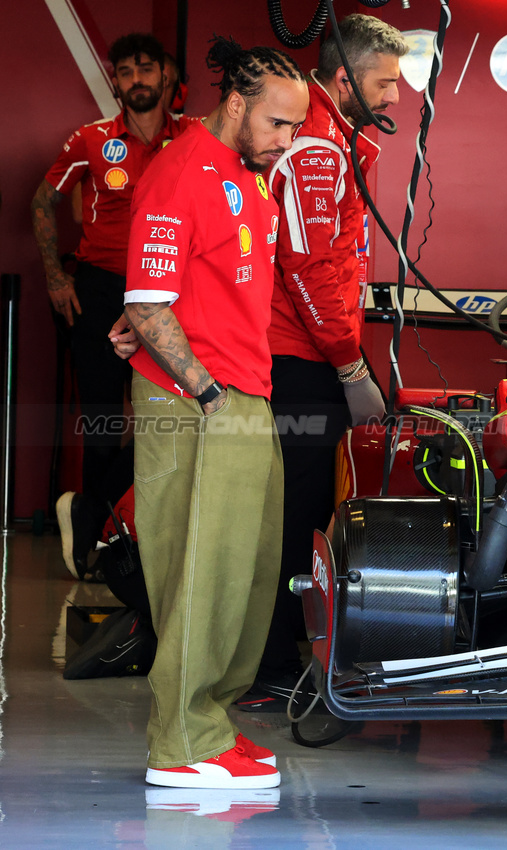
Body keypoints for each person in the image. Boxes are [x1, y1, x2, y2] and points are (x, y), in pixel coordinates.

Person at [120, 35, 308, 789]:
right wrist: (207, 395)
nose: (287, 141)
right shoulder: (180, 171)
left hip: (244, 390)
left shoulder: (248, 172)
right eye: (278, 124)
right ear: (235, 105)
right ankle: (181, 743)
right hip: (199, 398)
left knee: (244, 573)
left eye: (295, 127)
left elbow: (182, 287)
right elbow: (147, 302)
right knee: (197, 572)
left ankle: (211, 720)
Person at [233, 13, 404, 712]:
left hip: (306, 352)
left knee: (302, 509)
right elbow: (306, 268)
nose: (394, 96)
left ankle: (283, 653)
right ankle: (270, 664)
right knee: (294, 515)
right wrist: (350, 367)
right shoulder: (316, 147)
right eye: (383, 83)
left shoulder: (332, 138)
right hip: (298, 357)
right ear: (343, 77)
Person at [33, 33, 197, 574]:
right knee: (103, 421)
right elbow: (43, 201)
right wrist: (56, 277)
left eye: (145, 69)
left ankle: (96, 514)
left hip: (168, 294)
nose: (136, 80)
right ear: (116, 82)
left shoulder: (192, 136)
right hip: (101, 291)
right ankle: (94, 543)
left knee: (166, 421)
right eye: (125, 72)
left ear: (165, 76)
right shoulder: (92, 138)